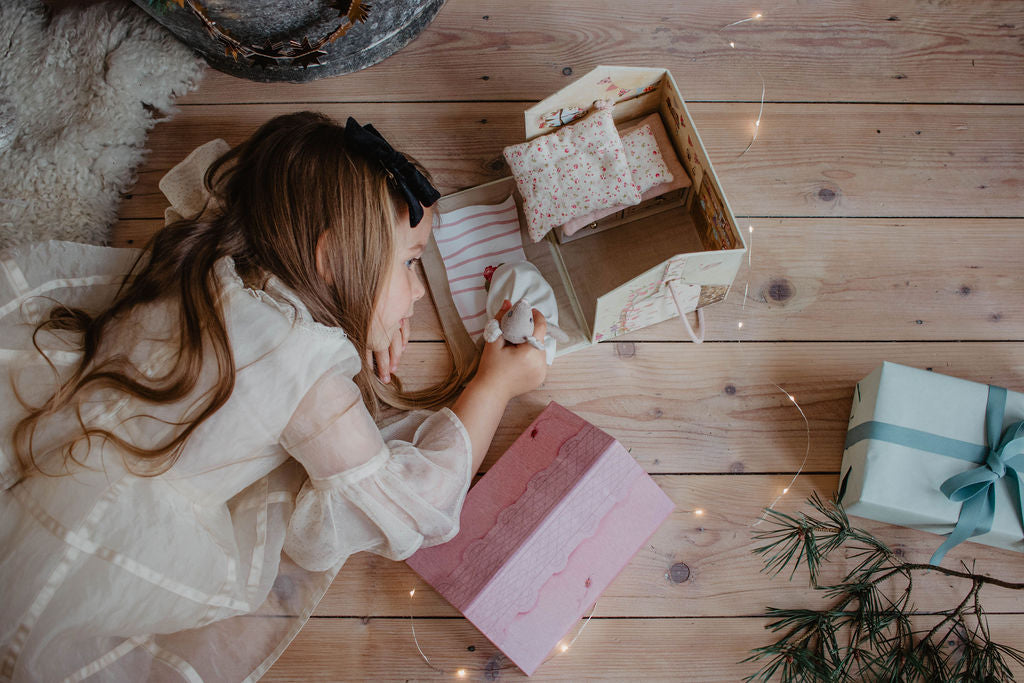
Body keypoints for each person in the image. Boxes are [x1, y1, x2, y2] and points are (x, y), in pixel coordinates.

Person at [0, 111, 549, 681]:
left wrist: (364, 308)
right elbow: (409, 511)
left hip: (48, 429)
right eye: (410, 264)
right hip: (111, 532)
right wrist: (494, 386)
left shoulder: (221, 260)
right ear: (332, 260)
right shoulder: (308, 377)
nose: (416, 290)